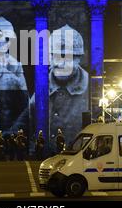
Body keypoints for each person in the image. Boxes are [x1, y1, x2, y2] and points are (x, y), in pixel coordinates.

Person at [29, 25, 89, 153]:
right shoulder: (42, 86)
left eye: (63, 56)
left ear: (78, 58)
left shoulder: (90, 89)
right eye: (53, 56)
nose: (57, 63)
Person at [0, 17, 30, 137]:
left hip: (7, 127)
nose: (5, 43)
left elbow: (25, 103)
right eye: (1, 39)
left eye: (8, 39)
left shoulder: (16, 65)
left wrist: (13, 130)